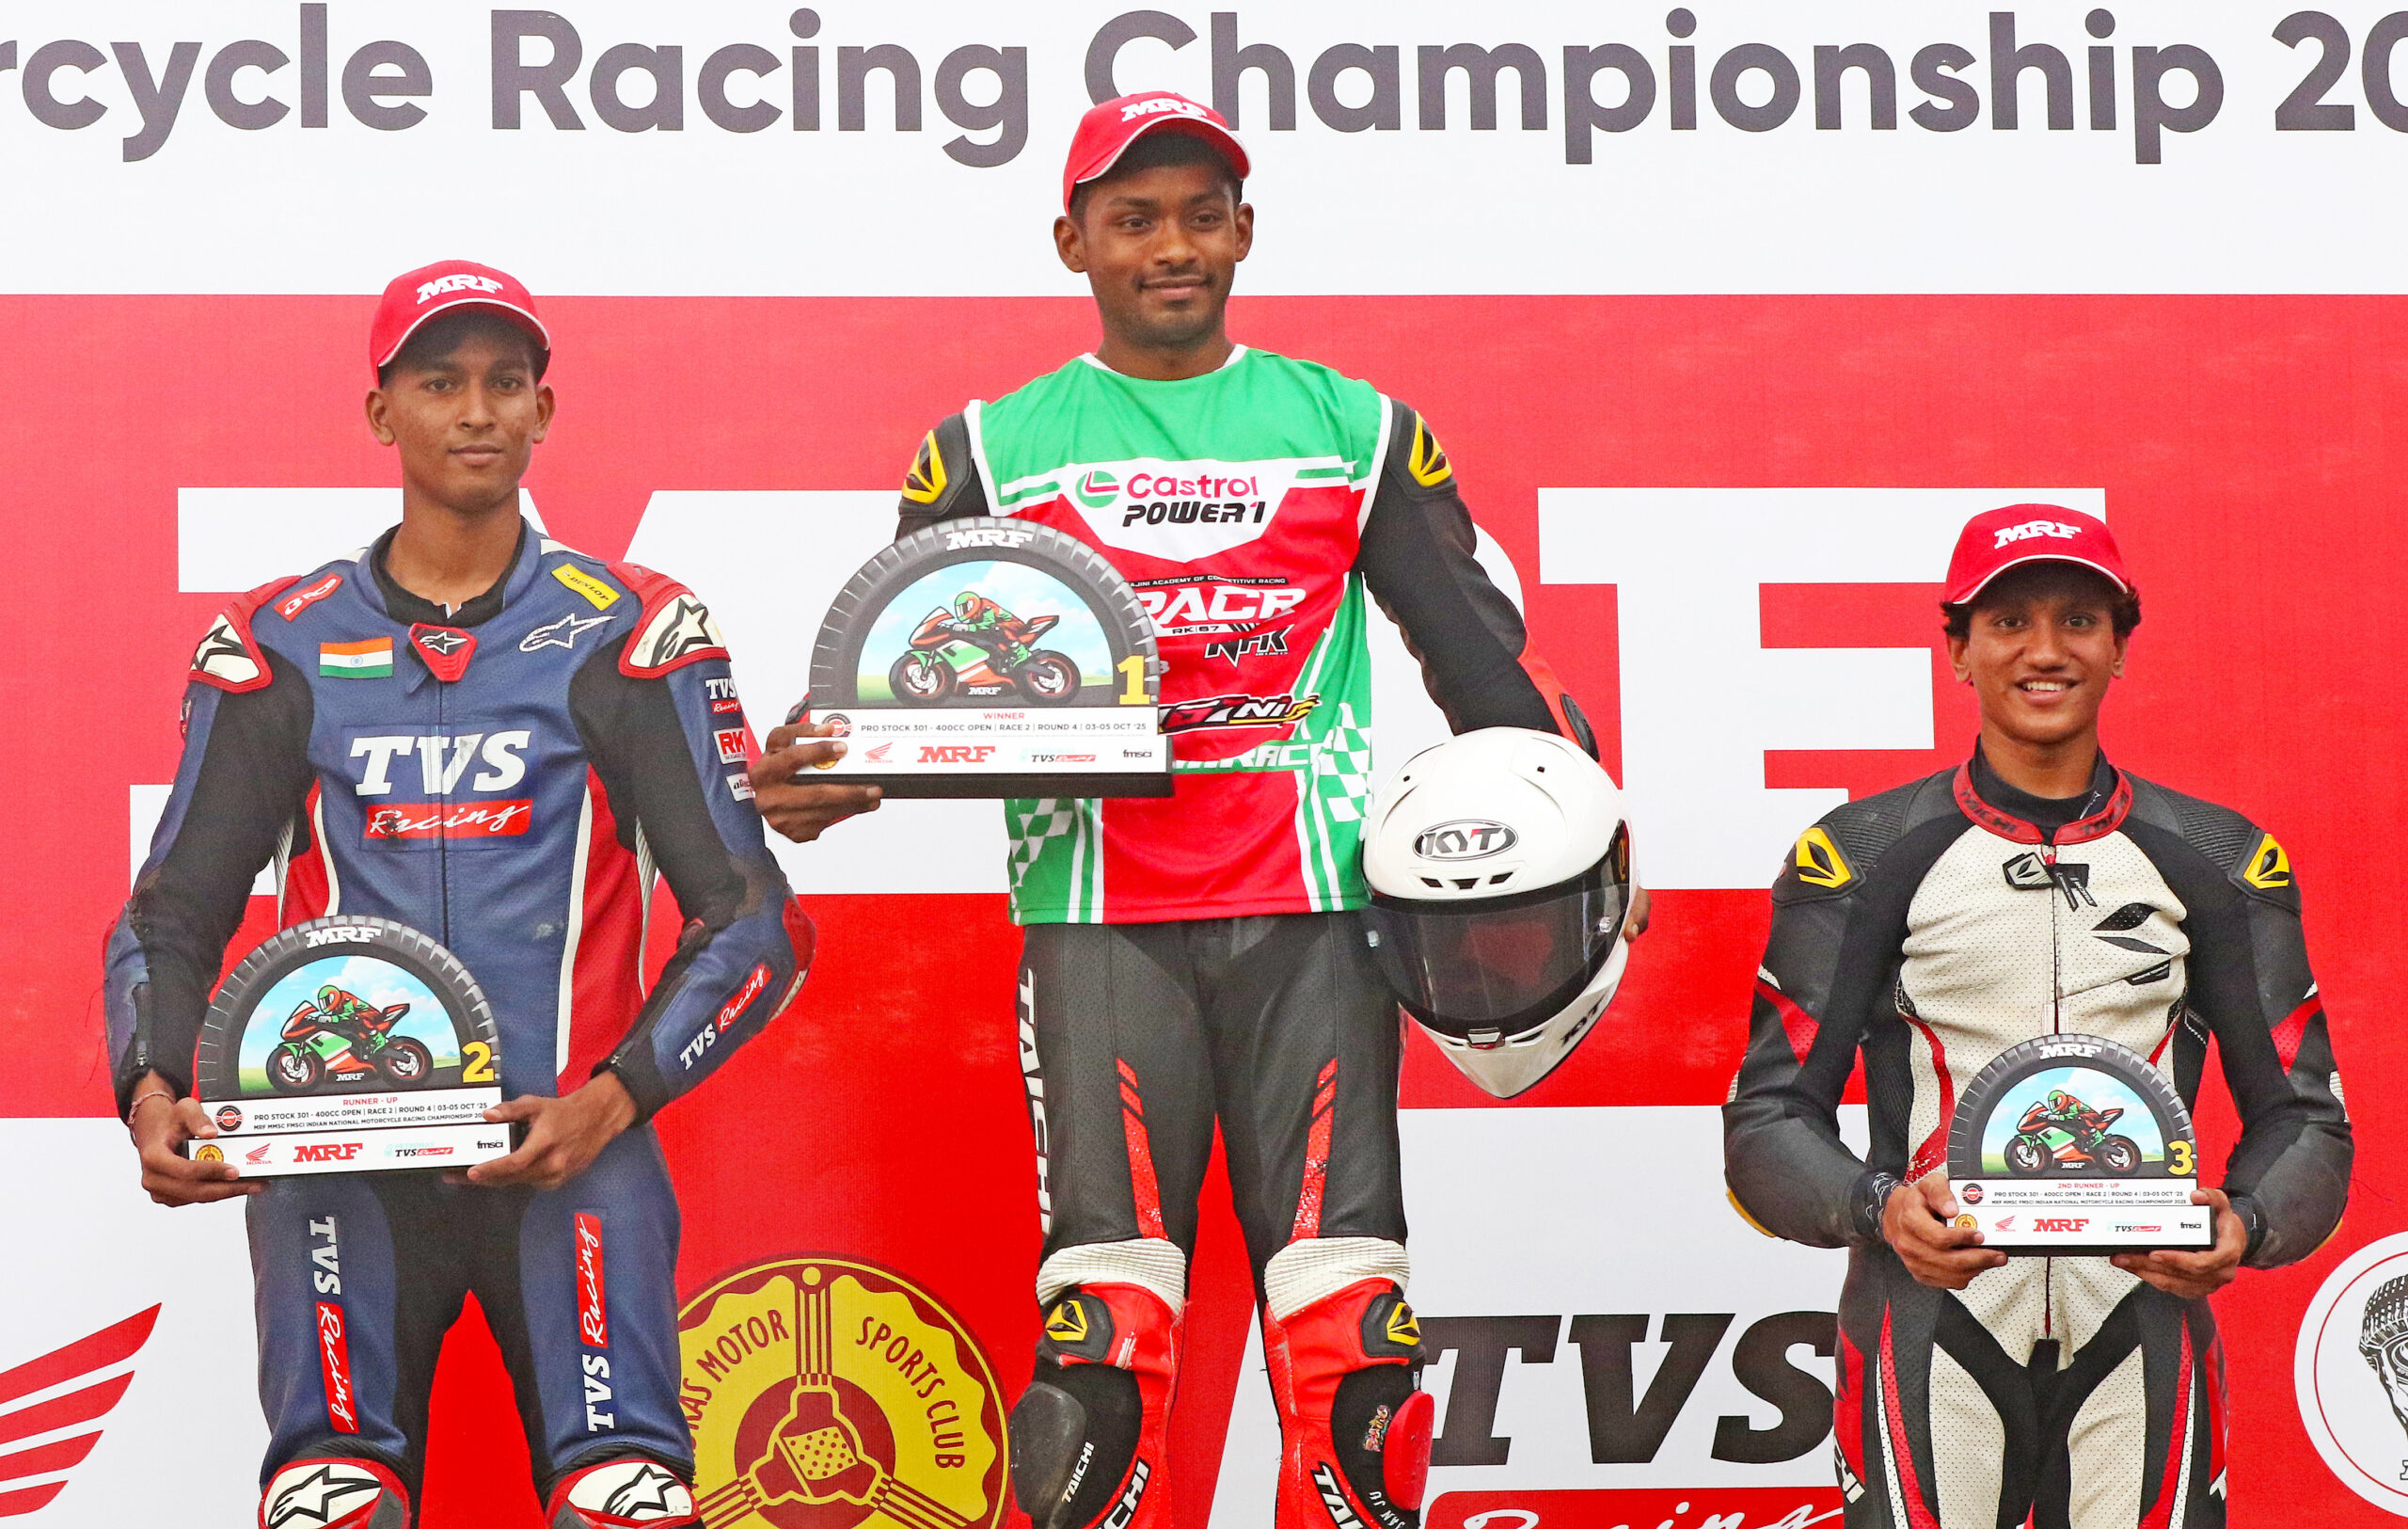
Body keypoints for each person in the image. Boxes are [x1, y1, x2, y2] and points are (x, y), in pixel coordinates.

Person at [751, 92, 1645, 1529]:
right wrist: (831, 778)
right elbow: (913, 695)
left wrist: (1588, 822)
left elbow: (1485, 665)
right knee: (1101, 1342)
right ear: (1073, 242)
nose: (1172, 245)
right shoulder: (988, 449)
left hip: (1321, 921)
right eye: (1134, 218)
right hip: (1097, 925)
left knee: (1353, 1330)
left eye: (1199, 214)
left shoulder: (1358, 430)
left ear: (1244, 230)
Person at [104, 261, 849, 1529]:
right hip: (334, 1162)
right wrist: (150, 1088)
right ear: (380, 412)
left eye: (506, 384)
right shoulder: (279, 641)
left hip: (571, 1155)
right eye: (439, 382)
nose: (476, 412)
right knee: (333, 1501)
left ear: (544, 412)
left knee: (625, 1501)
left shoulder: (633, 629)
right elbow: (171, 916)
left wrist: (609, 1101)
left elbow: (753, 920)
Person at [1723, 504, 2352, 1527]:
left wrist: (2245, 1221)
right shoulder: (1860, 855)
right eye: (2008, 621)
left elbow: (2305, 1119)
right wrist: (1878, 1205)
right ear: (1958, 651)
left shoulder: (2221, 857)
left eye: (2078, 619)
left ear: (2118, 648)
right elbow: (1766, 1123)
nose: (2045, 650)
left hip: (2141, 1315)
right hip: (1931, 1317)